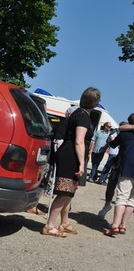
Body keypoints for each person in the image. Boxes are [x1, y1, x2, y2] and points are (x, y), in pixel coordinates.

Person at [41, 87, 100, 237]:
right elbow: (79, 141)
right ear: (95, 102)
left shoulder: (79, 114)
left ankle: (64, 222)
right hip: (71, 156)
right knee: (64, 192)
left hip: (71, 154)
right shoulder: (83, 117)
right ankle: (49, 225)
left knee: (69, 192)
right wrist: (81, 163)